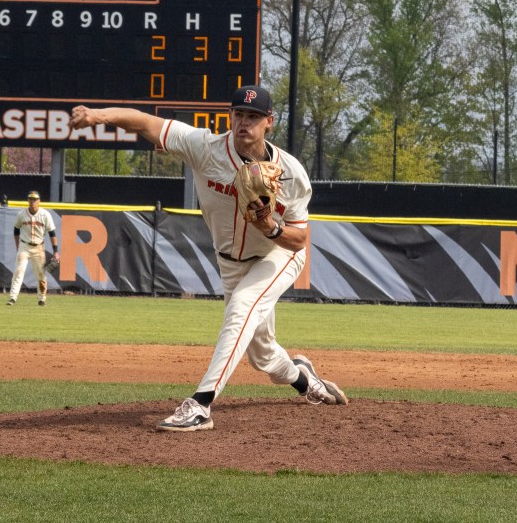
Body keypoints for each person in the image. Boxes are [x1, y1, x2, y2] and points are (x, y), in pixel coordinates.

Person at [69, 85, 347, 431]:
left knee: (242, 305)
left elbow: (299, 239)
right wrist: (97, 116)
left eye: (254, 116)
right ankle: (306, 381)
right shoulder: (205, 148)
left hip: (277, 255)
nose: (244, 122)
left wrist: (269, 226)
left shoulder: (291, 173)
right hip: (230, 263)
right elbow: (144, 122)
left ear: (269, 122)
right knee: (262, 356)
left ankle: (200, 404)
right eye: (239, 114)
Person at [8, 191, 60, 306]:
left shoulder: (45, 215)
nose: (32, 202)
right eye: (30, 199)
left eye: (35, 199)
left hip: (39, 247)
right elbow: (16, 230)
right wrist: (18, 246)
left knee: (41, 275)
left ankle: (41, 299)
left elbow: (52, 233)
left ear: (39, 201)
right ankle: (12, 297)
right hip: (24, 246)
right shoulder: (22, 214)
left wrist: (56, 251)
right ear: (28, 200)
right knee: (18, 271)